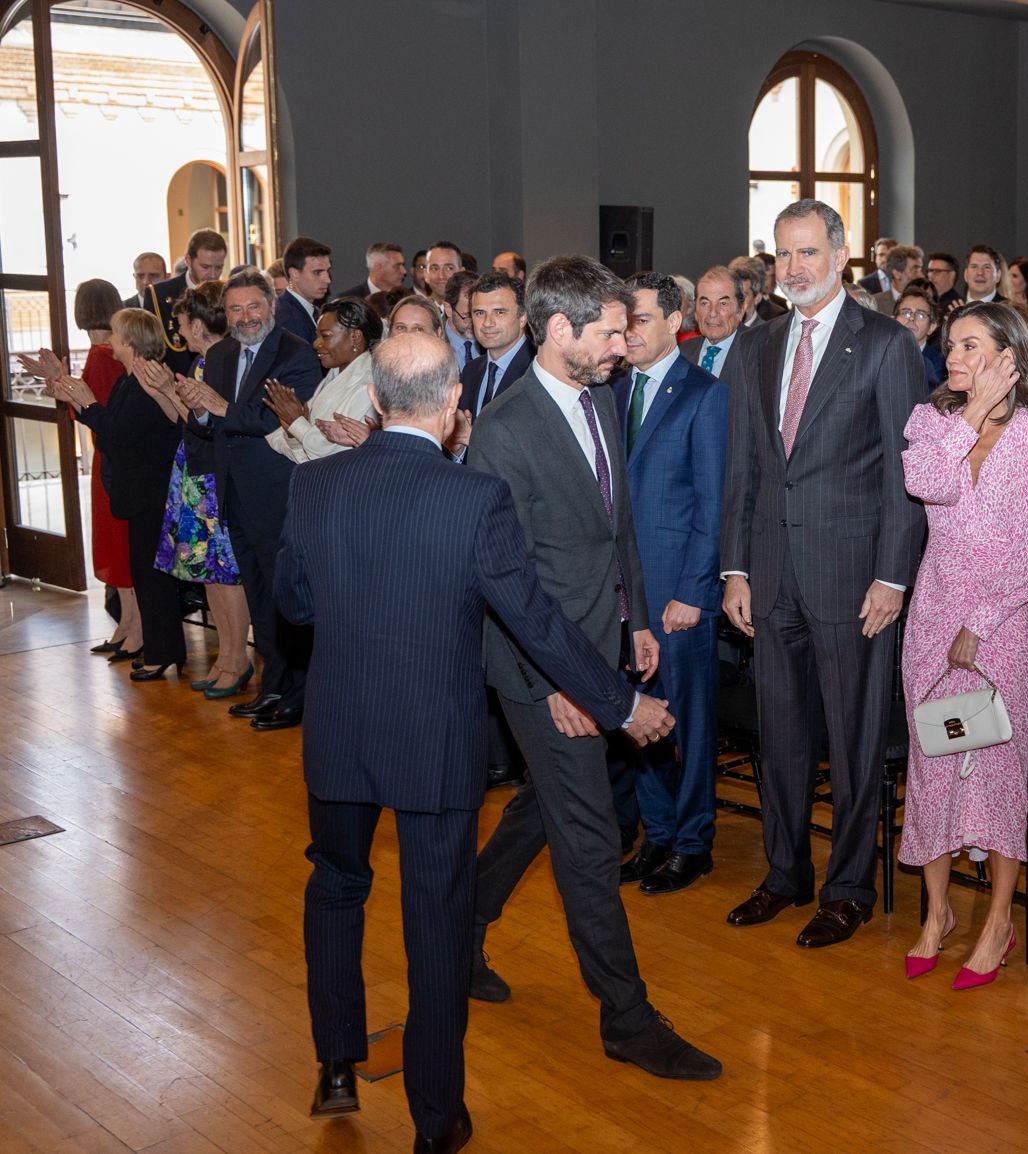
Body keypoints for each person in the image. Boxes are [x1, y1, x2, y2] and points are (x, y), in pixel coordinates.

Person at [277, 331, 678, 1154]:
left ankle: (337, 1066)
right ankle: (435, 1119)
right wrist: (620, 703)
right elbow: (535, 621)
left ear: (374, 400)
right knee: (435, 916)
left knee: (337, 886)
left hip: (342, 728)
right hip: (434, 738)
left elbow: (295, 604)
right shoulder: (473, 498)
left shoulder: (314, 485)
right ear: (455, 401)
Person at [461, 255, 719, 1081]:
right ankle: (627, 1019)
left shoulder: (603, 396)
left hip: (601, 647)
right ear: (558, 328)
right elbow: (508, 589)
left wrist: (634, 618)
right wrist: (569, 686)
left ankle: (459, 927)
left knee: (545, 806)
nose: (624, 343)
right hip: (544, 671)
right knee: (589, 838)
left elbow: (619, 529)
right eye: (610, 331)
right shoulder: (503, 432)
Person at [720, 198, 928, 946]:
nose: (794, 267)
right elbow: (743, 468)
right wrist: (735, 568)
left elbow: (905, 476)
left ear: (840, 257)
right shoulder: (756, 346)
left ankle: (847, 888)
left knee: (852, 740)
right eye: (783, 254)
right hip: (770, 574)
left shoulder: (885, 345)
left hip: (853, 580)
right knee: (780, 737)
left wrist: (892, 577)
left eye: (807, 252)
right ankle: (785, 873)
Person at [898, 301, 1028, 988]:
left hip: (1002, 625)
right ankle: (937, 914)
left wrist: (984, 620)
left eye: (971, 345)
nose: (954, 356)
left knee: (996, 771)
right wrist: (971, 413)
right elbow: (925, 483)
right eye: (951, 344)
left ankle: (997, 921)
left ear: (1008, 355)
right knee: (933, 766)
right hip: (932, 621)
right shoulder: (930, 421)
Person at [608, 272, 728, 895]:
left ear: (674, 322)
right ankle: (656, 833)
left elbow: (713, 505)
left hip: (678, 595)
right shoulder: (610, 390)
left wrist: (693, 592)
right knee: (638, 718)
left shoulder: (705, 395)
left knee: (691, 725)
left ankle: (693, 842)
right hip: (624, 596)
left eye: (641, 320)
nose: (628, 333)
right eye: (622, 322)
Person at [176, 268, 324, 731]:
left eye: (254, 306)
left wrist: (219, 408)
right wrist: (200, 410)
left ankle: (298, 696)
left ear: (272, 306)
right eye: (235, 309)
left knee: (285, 599)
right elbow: (208, 426)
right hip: (233, 493)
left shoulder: (296, 354)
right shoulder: (221, 354)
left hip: (278, 494)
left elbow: (275, 421)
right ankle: (273, 686)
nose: (245, 317)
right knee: (258, 598)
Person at [33, 310, 185, 680]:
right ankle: (161, 649)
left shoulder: (145, 382)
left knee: (153, 577)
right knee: (146, 574)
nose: (109, 340)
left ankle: (163, 653)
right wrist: (72, 392)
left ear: (129, 341)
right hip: (139, 491)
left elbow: (119, 432)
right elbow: (111, 428)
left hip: (151, 492)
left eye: (115, 333)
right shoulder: (128, 381)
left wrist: (86, 402)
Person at [154, 282, 250, 698]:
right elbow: (191, 420)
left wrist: (171, 393)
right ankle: (225, 655)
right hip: (196, 471)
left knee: (225, 573)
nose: (178, 330)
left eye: (180, 321)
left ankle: (237, 657)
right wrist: (164, 391)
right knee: (207, 573)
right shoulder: (201, 360)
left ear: (196, 323)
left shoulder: (224, 358)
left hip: (214, 474)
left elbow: (213, 423)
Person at [71, 280, 137, 658]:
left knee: (117, 542)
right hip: (121, 455)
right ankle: (127, 622)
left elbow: (89, 410)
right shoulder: (111, 349)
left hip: (110, 458)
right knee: (120, 542)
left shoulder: (99, 355)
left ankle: (132, 624)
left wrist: (65, 389)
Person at [263, 297, 383, 463]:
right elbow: (307, 457)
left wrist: (296, 422)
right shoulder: (333, 376)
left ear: (355, 337)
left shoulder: (368, 386)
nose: (316, 344)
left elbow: (334, 453)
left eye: (325, 336)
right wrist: (292, 430)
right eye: (317, 335)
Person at [137, 228, 228, 374]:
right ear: (188, 260)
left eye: (219, 267)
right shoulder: (158, 294)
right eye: (205, 267)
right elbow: (150, 347)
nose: (212, 275)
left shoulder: (226, 293)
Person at [457, 271, 534, 419]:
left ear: (523, 317)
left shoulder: (539, 370)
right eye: (479, 313)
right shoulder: (470, 371)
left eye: (499, 312)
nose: (487, 323)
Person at [680, 265, 748, 384]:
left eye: (723, 303)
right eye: (705, 303)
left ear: (741, 310)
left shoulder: (758, 352)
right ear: (695, 310)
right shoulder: (681, 353)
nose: (712, 313)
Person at [277, 237, 334, 345]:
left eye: (327, 271)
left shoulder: (312, 310)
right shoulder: (287, 319)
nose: (328, 279)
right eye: (317, 272)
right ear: (294, 274)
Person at [895, 288, 947, 386]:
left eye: (920, 315)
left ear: (932, 327)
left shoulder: (941, 363)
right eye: (905, 313)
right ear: (893, 320)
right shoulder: (880, 355)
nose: (911, 318)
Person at [335, 241, 406, 301]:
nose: (404, 271)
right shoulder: (347, 300)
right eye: (397, 266)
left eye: (403, 265)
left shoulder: (405, 299)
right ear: (378, 268)